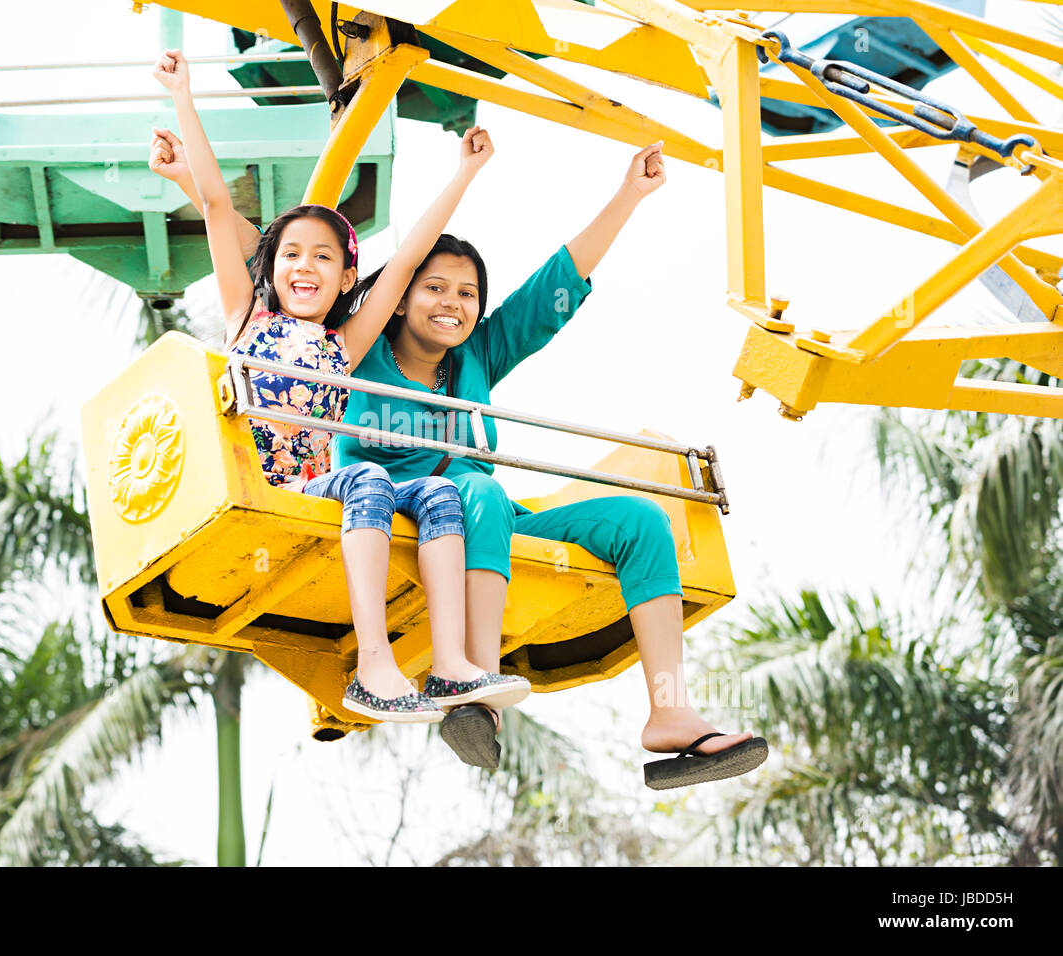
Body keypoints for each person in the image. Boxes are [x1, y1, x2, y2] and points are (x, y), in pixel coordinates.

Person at [335, 141, 768, 784]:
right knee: (470, 486)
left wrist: (630, 195)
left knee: (639, 520)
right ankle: (474, 687)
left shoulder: (478, 355)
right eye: (434, 288)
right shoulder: (354, 351)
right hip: (393, 518)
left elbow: (550, 293)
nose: (453, 303)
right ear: (398, 297)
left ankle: (670, 712)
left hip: (486, 525)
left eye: (467, 293)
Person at [149, 49, 530, 724]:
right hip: (267, 492)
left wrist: (464, 175)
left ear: (347, 279)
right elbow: (213, 203)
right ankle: (374, 669)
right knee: (371, 481)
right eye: (292, 253)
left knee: (441, 491)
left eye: (324, 256)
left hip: (317, 492)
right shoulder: (247, 317)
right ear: (272, 266)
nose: (306, 265)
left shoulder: (343, 346)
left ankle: (448, 667)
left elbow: (409, 254)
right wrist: (182, 94)